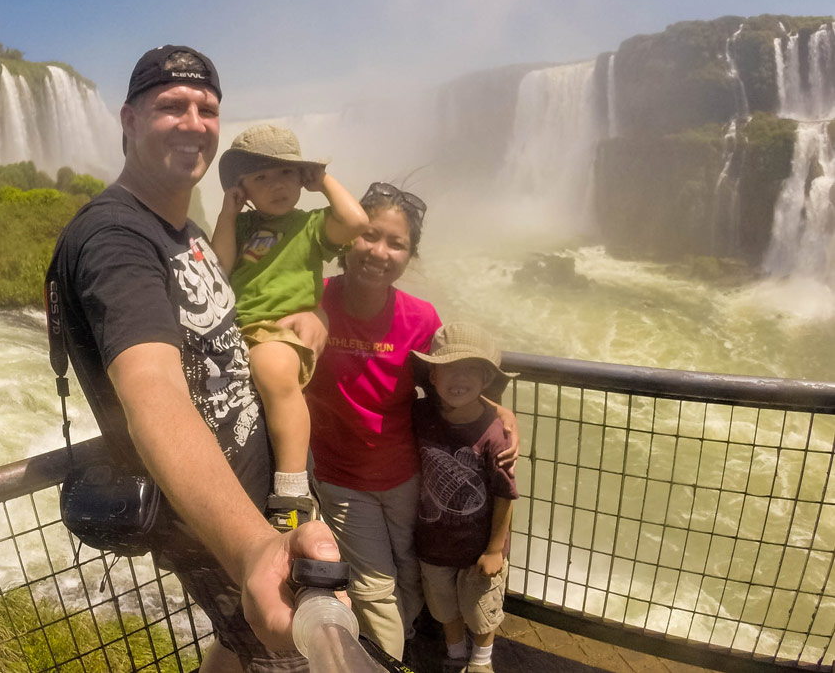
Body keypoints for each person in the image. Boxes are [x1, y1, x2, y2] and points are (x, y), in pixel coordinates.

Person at [48, 45, 339, 673]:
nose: (193, 122)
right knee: (282, 659)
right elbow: (153, 393)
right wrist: (254, 548)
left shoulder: (187, 234)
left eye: (206, 108)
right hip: (221, 527)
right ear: (128, 120)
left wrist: (310, 318)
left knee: (238, 652)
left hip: (261, 499)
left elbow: (225, 333)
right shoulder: (115, 241)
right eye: (171, 106)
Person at [305, 183, 519, 661]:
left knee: (412, 570)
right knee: (374, 587)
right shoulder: (314, 299)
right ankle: (389, 662)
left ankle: (400, 648)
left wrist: (500, 411)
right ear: (347, 238)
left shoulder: (420, 319)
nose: (379, 252)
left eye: (396, 243)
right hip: (341, 478)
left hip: (408, 477)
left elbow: (450, 386)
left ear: (410, 254)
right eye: (369, 235)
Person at [211, 124, 368, 528]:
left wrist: (325, 181)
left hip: (281, 331)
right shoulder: (243, 227)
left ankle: (293, 489)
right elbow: (219, 265)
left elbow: (355, 222)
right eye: (261, 177)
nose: (276, 185)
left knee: (273, 372)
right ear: (242, 188)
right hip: (240, 331)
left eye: (285, 173)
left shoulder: (311, 225)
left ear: (302, 178)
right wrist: (229, 212)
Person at [411, 322, 518, 673]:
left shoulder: (495, 435)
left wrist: (493, 549)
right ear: (432, 375)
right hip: (433, 541)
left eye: (471, 369)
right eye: (449, 368)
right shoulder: (421, 413)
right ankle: (455, 654)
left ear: (487, 380)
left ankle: (481, 661)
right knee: (443, 606)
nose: (459, 379)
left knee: (480, 608)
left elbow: (505, 495)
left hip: (478, 547)